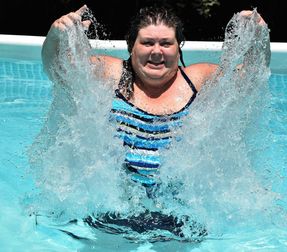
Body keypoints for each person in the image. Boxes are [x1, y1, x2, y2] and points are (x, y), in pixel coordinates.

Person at [41, 4, 270, 240]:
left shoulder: (199, 80)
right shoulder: (109, 73)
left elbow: (251, 78)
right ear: (131, 46)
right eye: (147, 43)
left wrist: (260, 39)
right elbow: (58, 70)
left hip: (180, 216)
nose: (157, 51)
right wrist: (55, 35)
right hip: (112, 212)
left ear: (178, 47)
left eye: (166, 43)